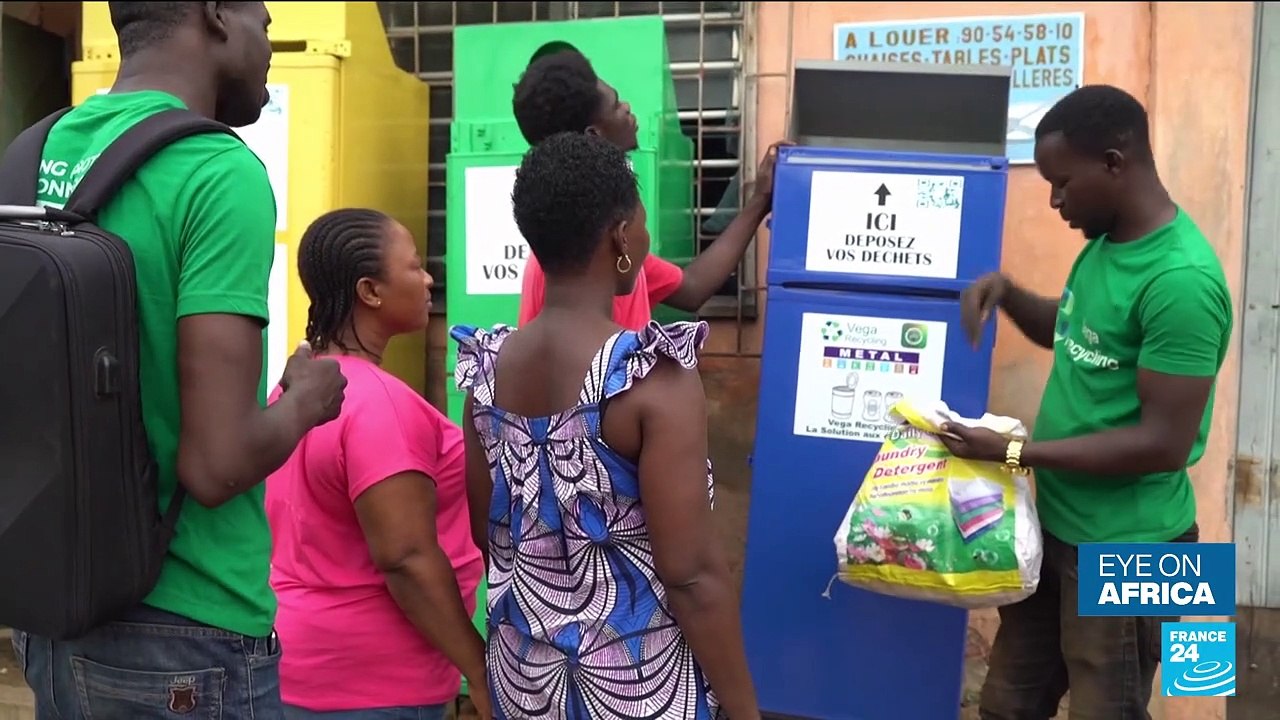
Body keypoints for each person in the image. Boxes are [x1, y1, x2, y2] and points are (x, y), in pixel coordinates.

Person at [13, 2, 348, 718]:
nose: (269, 43)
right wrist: (305, 400)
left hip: (51, 616)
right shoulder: (215, 172)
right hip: (188, 634)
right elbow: (215, 464)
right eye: (264, 21)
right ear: (216, 13)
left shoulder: (29, 156)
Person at [939, 85, 1233, 719]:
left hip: (1137, 548)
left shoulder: (1181, 282)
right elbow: (1075, 332)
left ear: (1113, 162)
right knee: (1007, 705)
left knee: (1110, 711)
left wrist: (1014, 453)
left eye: (1062, 183)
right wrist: (1010, 294)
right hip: (1057, 530)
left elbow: (1163, 445)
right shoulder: (1103, 246)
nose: (1054, 201)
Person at [451, 132, 760, 720]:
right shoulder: (650, 378)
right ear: (620, 236)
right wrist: (746, 711)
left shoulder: (486, 373)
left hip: (525, 682)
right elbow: (692, 577)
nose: (645, 239)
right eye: (640, 224)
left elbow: (489, 535)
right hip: (636, 688)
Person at [264, 208, 489, 720]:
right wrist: (479, 671)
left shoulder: (294, 390)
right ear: (370, 291)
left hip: (292, 668)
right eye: (415, 266)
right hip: (377, 685)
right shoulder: (380, 404)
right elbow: (405, 556)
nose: (428, 279)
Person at [511, 48, 782, 330]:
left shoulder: (610, 249)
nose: (627, 107)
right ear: (594, 136)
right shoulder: (586, 262)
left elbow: (692, 288)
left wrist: (759, 201)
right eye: (615, 105)